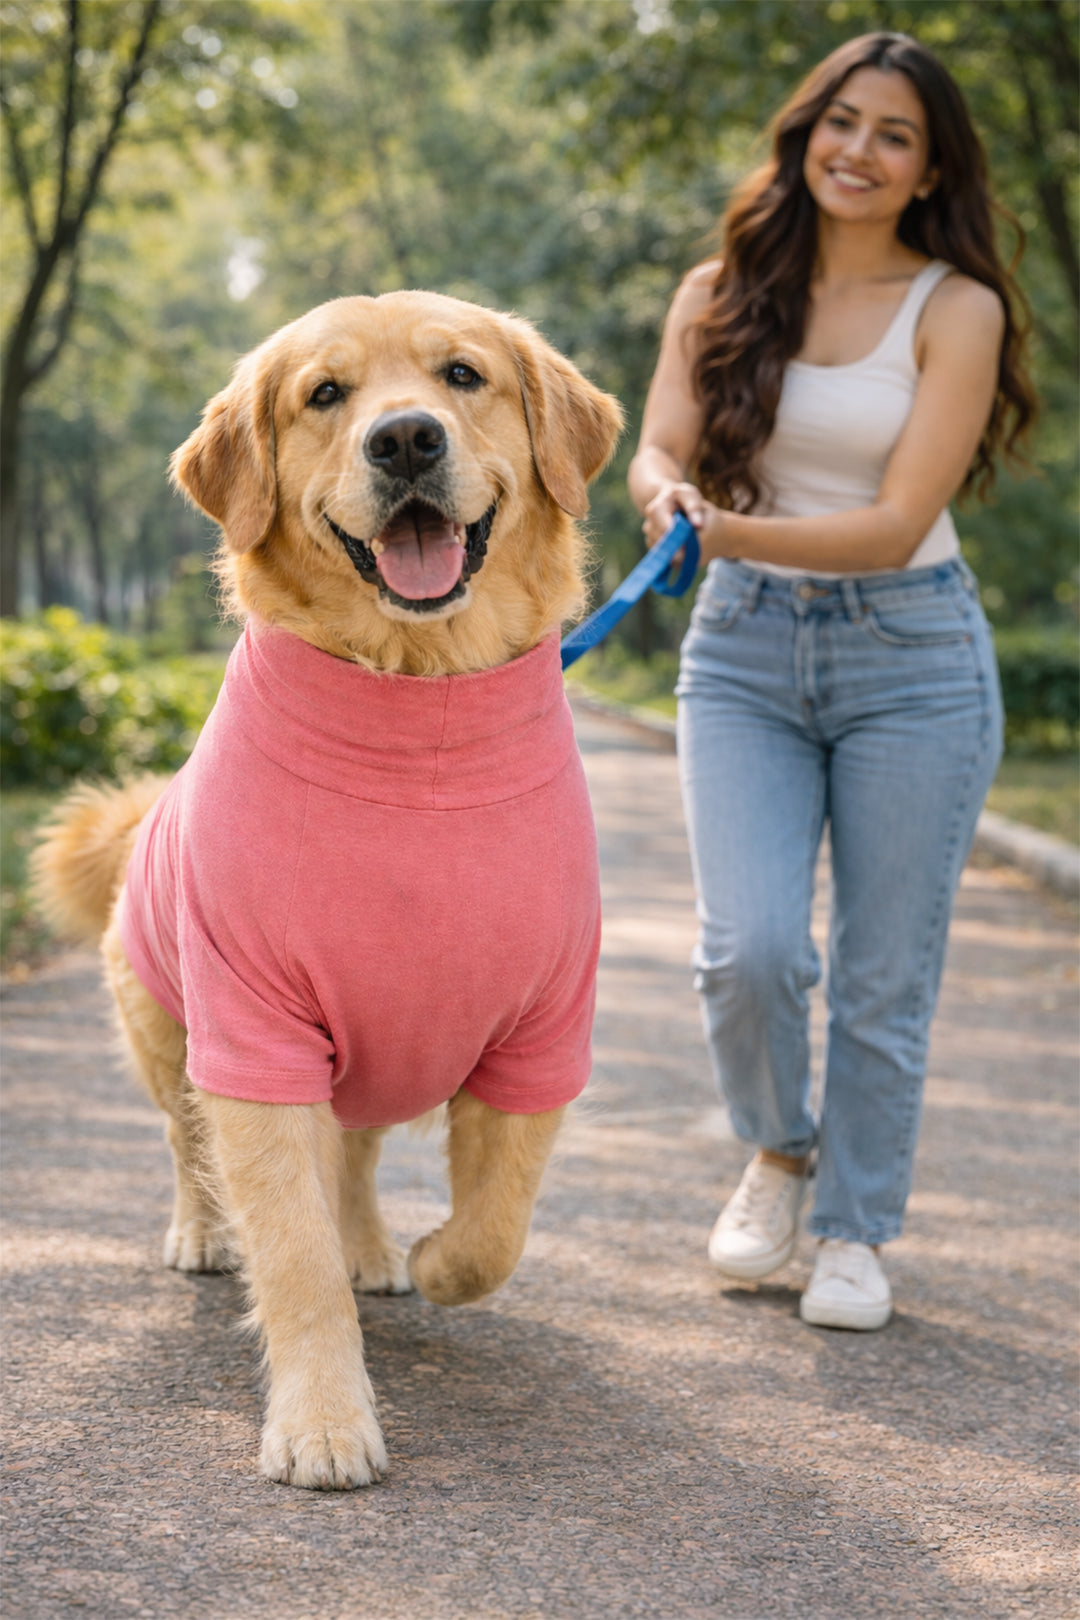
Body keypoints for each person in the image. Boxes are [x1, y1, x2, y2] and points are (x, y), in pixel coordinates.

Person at [628, 31, 1036, 1331]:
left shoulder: (957, 308)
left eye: (895, 135)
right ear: (805, 132)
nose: (858, 150)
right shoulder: (718, 292)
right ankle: (780, 1150)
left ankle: (859, 1229)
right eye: (841, 121)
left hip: (910, 653)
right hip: (743, 647)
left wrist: (717, 530)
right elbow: (654, 449)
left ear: (929, 171)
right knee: (747, 950)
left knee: (879, 975)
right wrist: (667, 500)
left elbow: (893, 520)